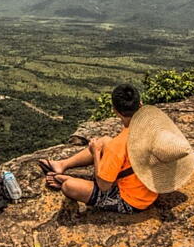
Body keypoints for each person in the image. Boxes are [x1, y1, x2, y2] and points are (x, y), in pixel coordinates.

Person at [39, 84, 158, 214]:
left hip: (133, 201)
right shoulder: (150, 126)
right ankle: (61, 165)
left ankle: (65, 179)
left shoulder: (118, 144)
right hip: (149, 188)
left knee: (69, 187)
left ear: (115, 110)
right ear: (140, 104)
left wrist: (95, 153)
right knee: (105, 141)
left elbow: (104, 186)